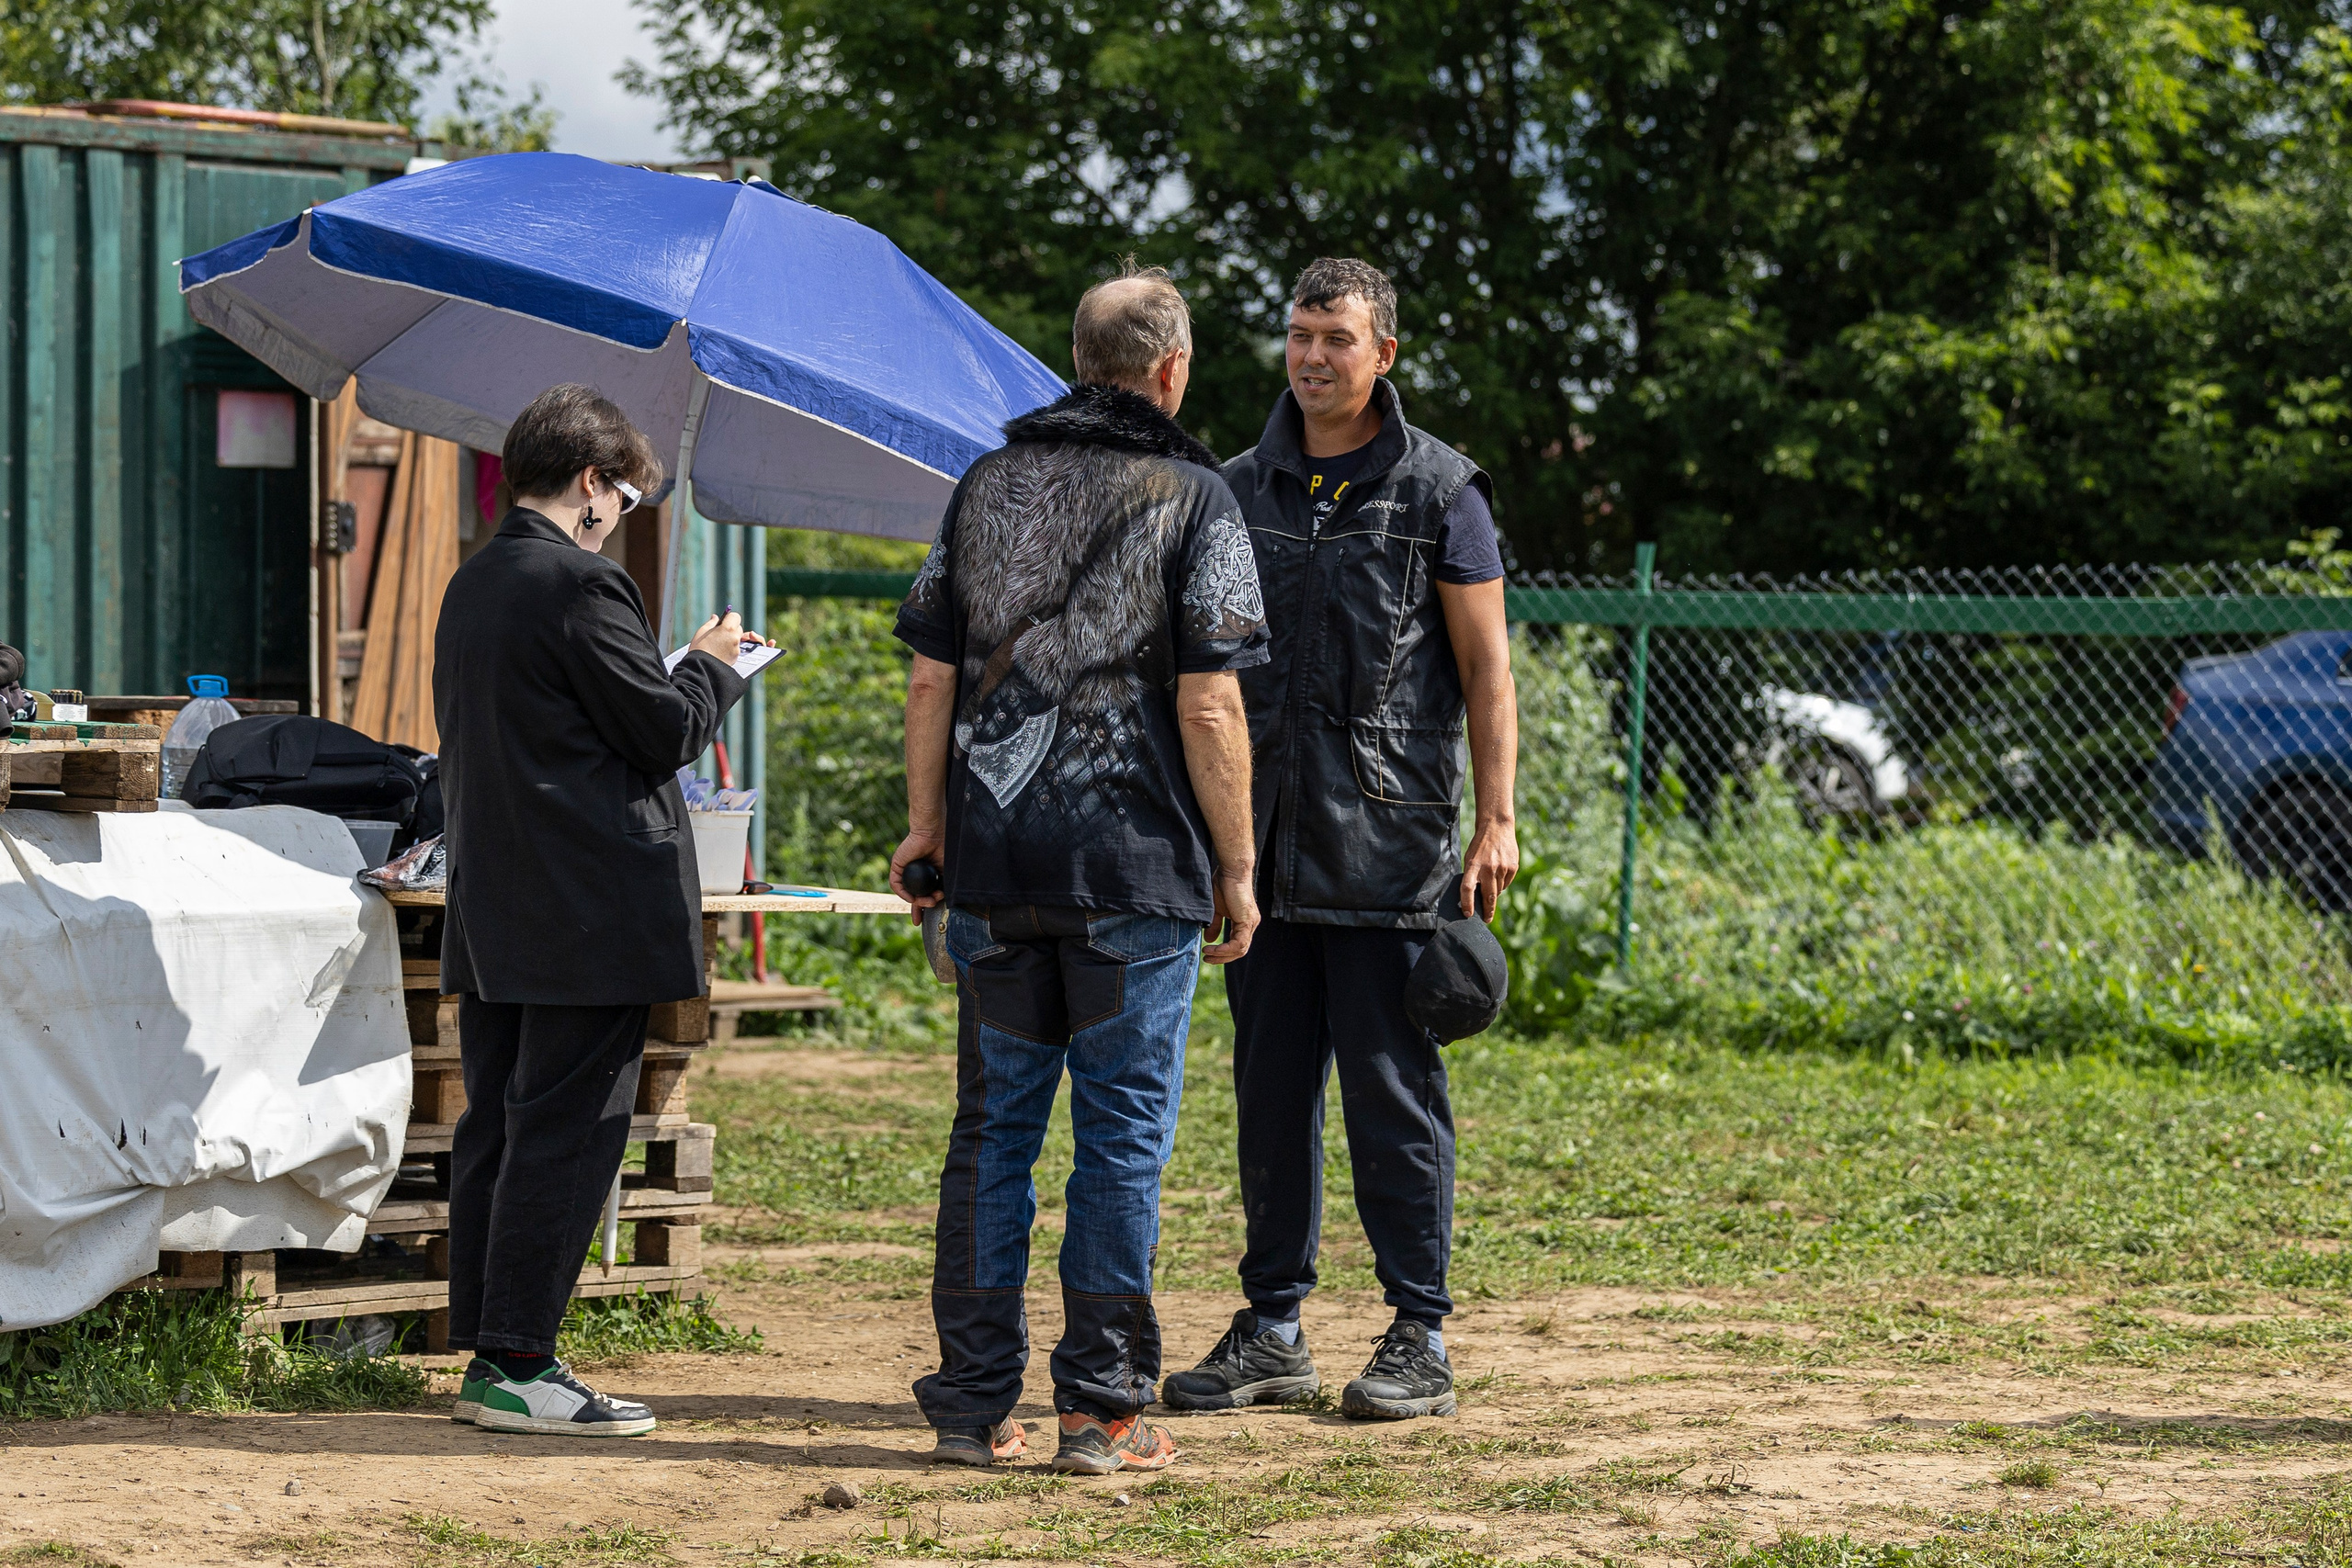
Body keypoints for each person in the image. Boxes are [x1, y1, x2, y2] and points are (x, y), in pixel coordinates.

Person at [889, 264, 1267, 1474]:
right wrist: (1241, 865)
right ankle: (1100, 1411)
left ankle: (968, 1403)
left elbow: (932, 675)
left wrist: (925, 824)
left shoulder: (986, 483)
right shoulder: (1195, 493)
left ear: (1077, 359)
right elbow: (1210, 702)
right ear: (1172, 370)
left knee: (993, 1132)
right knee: (1118, 1137)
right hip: (1134, 873)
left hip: (996, 865)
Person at [1162, 257, 1519, 1421]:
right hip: (1255, 856)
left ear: (1384, 355)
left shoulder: (1440, 492)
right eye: (1297, 335)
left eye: (1337, 338)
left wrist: (1497, 818)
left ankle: (1419, 1333)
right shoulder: (1230, 488)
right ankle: (1272, 1330)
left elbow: (1485, 670)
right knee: (1267, 1096)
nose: (1312, 357)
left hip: (1393, 850)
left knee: (1390, 1098)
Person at [432, 383, 766, 1438]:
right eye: (622, 496)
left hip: (497, 901)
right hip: (586, 910)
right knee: (568, 1133)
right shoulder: (582, 585)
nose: (620, 515)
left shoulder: (474, 582)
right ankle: (523, 1358)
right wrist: (715, 666)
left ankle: (492, 1348)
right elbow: (663, 727)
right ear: (590, 484)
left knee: (500, 1123)